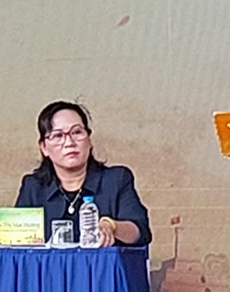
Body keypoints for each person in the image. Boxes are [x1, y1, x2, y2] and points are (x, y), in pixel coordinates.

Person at [15, 100, 150, 247]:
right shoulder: (33, 187)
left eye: (77, 132)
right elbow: (17, 240)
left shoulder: (116, 180)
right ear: (44, 148)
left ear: (89, 140)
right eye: (58, 135)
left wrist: (112, 226)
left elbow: (140, 232)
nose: (69, 142)